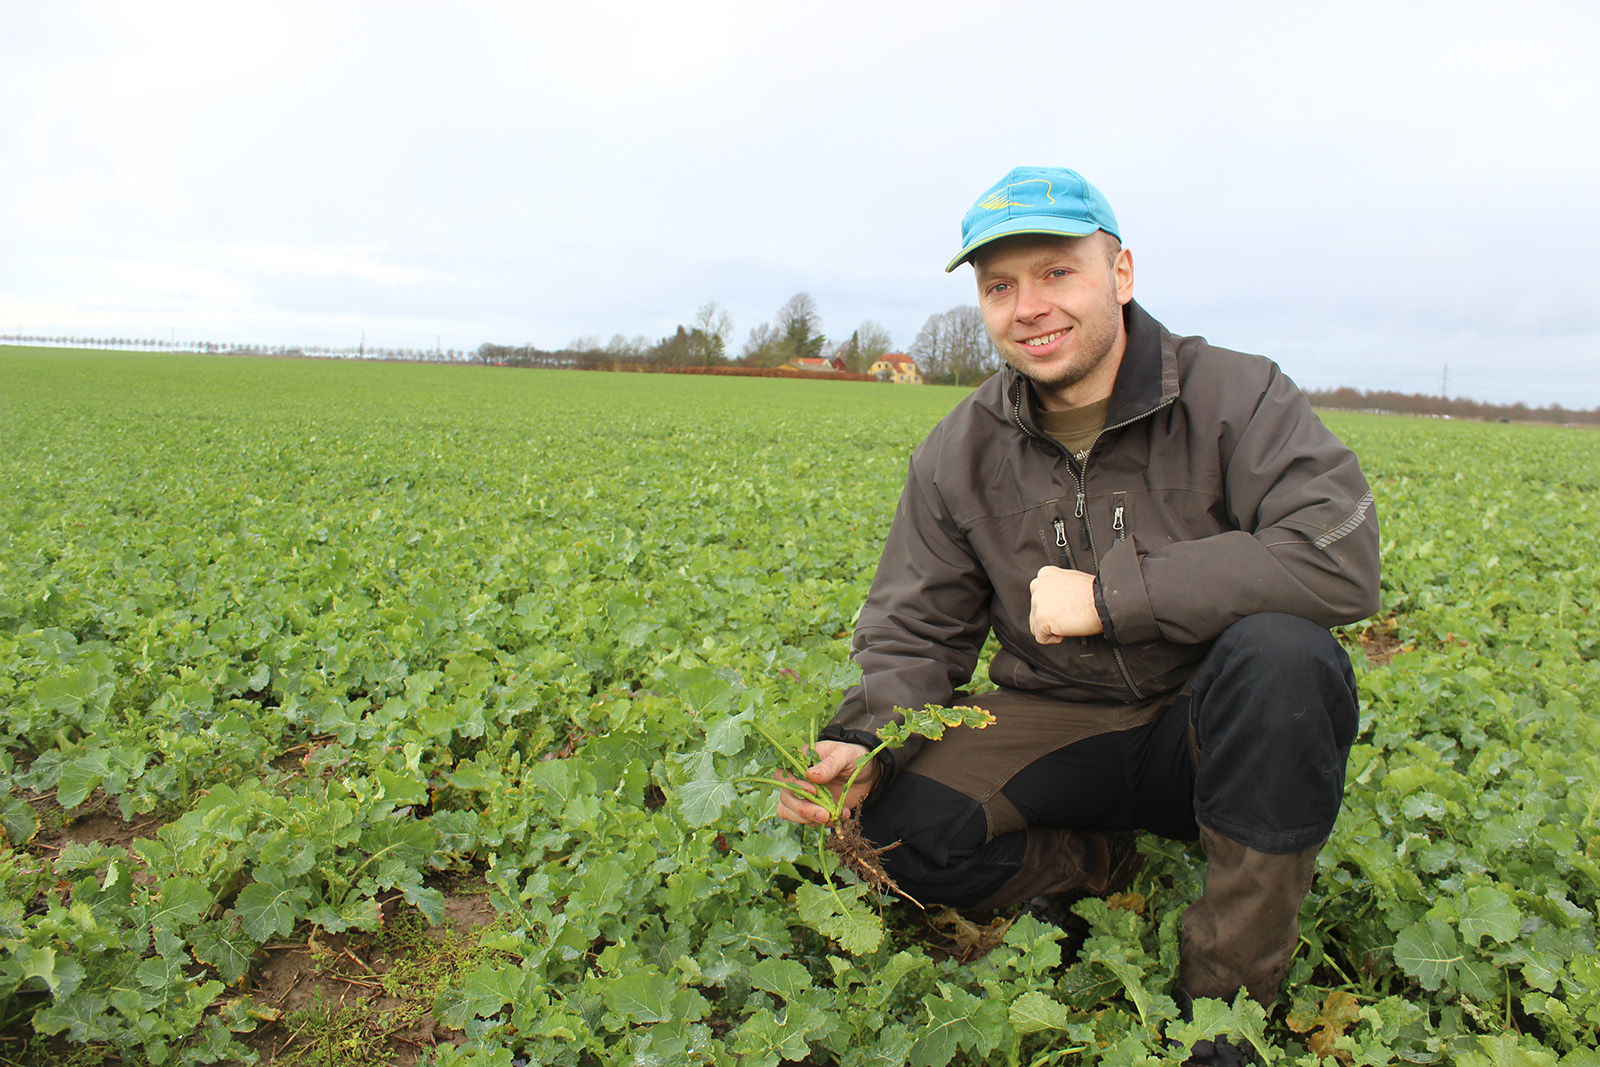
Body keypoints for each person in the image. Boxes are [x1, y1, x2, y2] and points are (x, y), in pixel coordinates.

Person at [777, 166, 1379, 1029]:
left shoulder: (1237, 397)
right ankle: (1090, 862)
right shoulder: (959, 450)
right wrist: (863, 740)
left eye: (1057, 271)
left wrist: (1112, 597)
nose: (1029, 306)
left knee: (1289, 661)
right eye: (1000, 286)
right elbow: (915, 628)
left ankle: (1224, 1007)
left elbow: (1337, 556)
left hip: (1204, 721)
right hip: (1057, 716)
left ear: (1121, 274)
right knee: (888, 828)